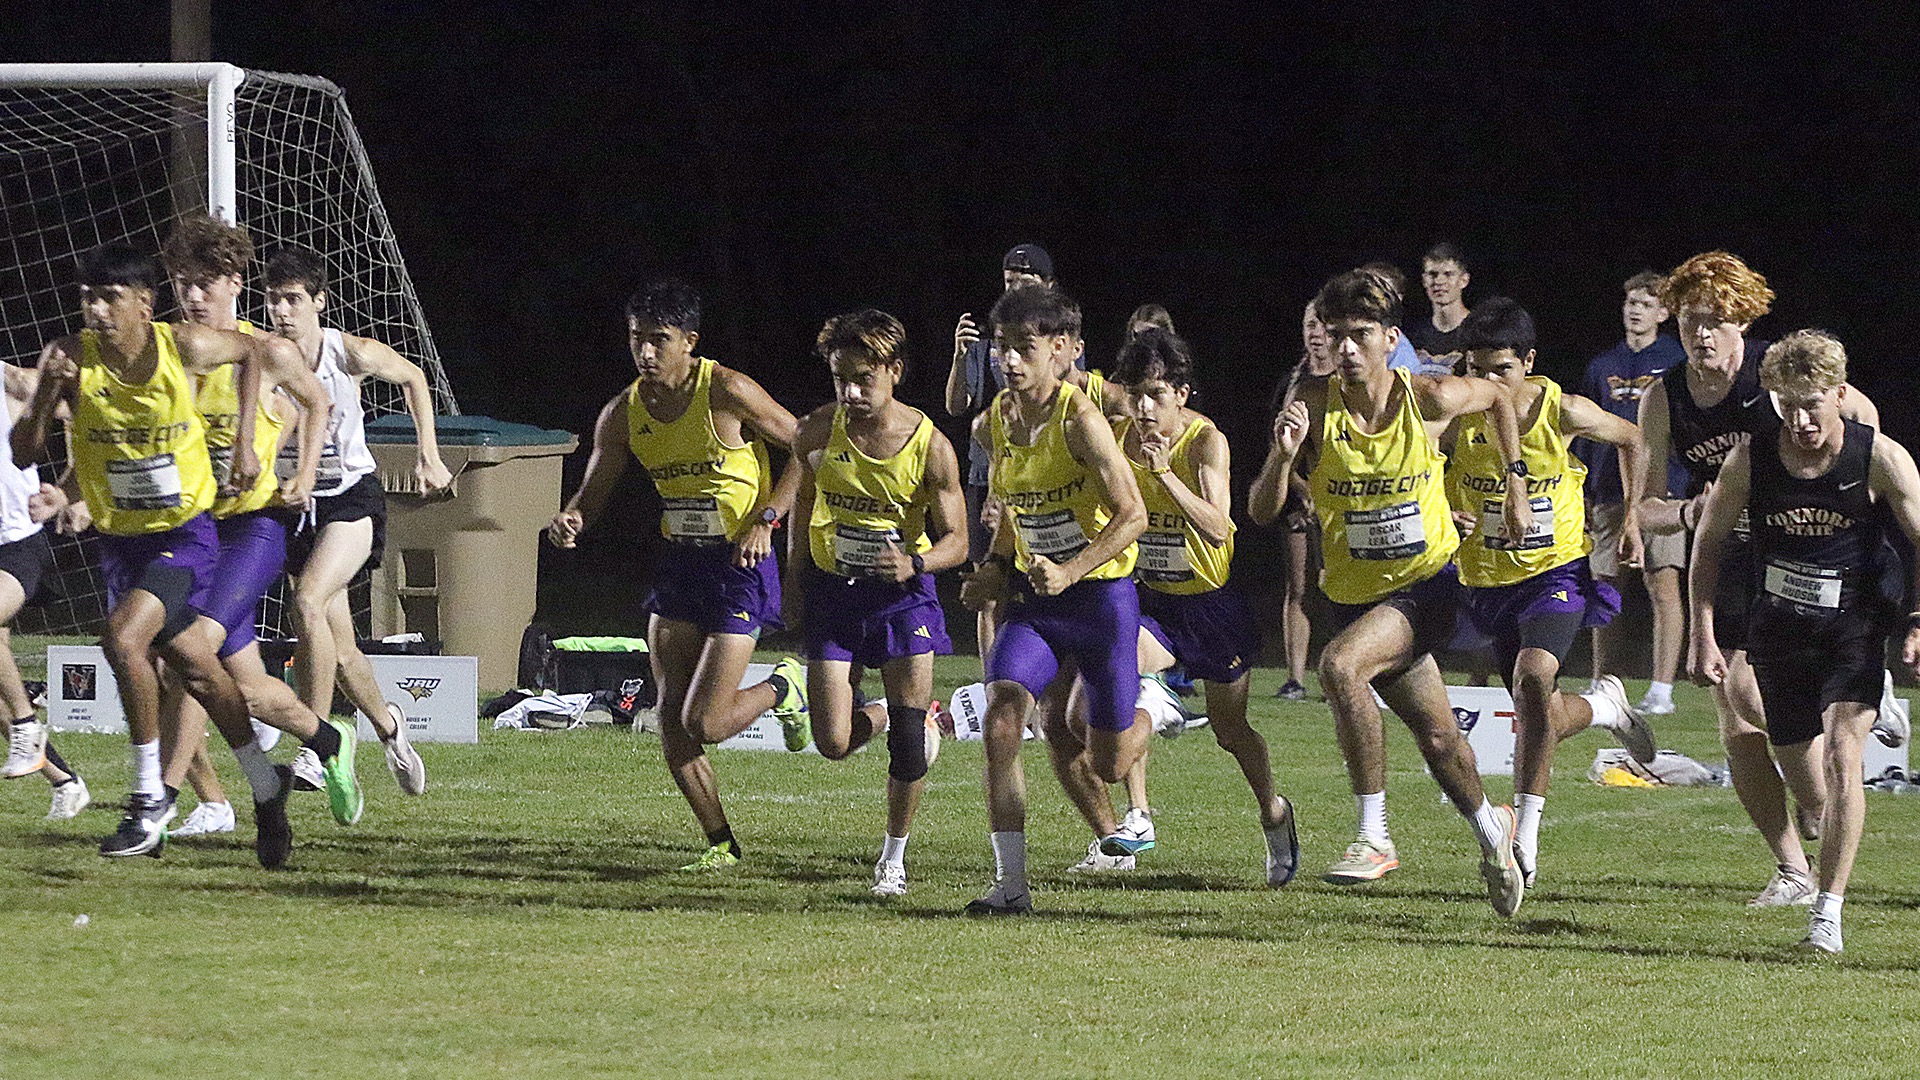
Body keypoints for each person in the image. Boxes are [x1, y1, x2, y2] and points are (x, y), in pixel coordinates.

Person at [13, 244, 305, 866]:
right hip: (120, 542)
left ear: (145, 303)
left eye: (109, 298)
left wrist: (248, 446)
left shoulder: (185, 348)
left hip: (184, 538)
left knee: (122, 641)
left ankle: (147, 797)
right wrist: (47, 398)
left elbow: (251, 352)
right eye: (86, 297)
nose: (95, 310)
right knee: (199, 673)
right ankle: (263, 786)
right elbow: (22, 449)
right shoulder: (69, 358)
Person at [1252, 269, 1530, 917]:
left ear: (1390, 339)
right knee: (1437, 740)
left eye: (1361, 336)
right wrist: (1282, 456)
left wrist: (1513, 483)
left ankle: (1373, 837)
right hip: (1354, 596)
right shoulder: (1313, 402)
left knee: (1340, 667)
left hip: (1427, 586)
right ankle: (1495, 832)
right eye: (1336, 335)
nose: (1346, 350)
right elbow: (1263, 511)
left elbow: (1495, 397)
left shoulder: (1427, 397)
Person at [1637, 250, 1878, 906]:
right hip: (1724, 554)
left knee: (1754, 692)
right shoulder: (1664, 397)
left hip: (1799, 548)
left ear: (1742, 321)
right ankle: (1795, 867)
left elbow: (1859, 419)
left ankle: (1826, 792)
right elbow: (1646, 508)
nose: (1704, 333)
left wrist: (1844, 497)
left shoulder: (1775, 375)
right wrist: (1695, 508)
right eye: (1690, 321)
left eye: (1717, 320)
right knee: (1736, 719)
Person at [548, 279, 803, 870]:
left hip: (739, 561)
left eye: (659, 340)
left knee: (706, 721)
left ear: (690, 341)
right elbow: (594, 490)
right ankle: (722, 845)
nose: (645, 352)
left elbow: (808, 446)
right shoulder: (623, 411)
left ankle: (783, 687)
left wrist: (768, 519)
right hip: (681, 562)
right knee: (669, 714)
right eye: (637, 339)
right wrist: (571, 518)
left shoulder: (727, 389)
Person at [1689, 329, 1920, 953]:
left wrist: (1918, 618)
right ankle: (1818, 820)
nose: (1800, 419)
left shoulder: (1879, 458)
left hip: (1857, 620)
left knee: (1846, 753)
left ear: (1839, 394)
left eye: (1813, 403)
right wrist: (1701, 631)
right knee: (1804, 775)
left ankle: (1828, 911)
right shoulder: (1751, 460)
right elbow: (1707, 547)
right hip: (1780, 623)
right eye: (1785, 404)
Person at [157, 216, 362, 836]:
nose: (194, 295)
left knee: (185, 658)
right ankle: (328, 738)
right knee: (242, 689)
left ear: (236, 284)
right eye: (184, 283)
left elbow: (319, 401)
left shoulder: (266, 349)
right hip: (197, 528)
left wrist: (300, 477)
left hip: (255, 529)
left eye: (207, 283)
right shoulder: (171, 347)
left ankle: (160, 802)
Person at [1446, 297, 1658, 888]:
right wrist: (1448, 508)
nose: (1490, 384)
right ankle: (1604, 707)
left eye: (1503, 371)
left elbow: (1634, 438)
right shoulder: (1458, 415)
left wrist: (1633, 516)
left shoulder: (1560, 410)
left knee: (1533, 677)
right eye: (1479, 370)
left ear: (1529, 362)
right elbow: (1424, 469)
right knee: (1541, 707)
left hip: (1555, 570)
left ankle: (1527, 834)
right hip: (1489, 578)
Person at [957, 284, 1148, 915]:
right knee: (1003, 714)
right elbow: (1014, 504)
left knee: (1110, 763)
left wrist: (1069, 570)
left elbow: (1132, 515)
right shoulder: (993, 424)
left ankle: (1157, 710)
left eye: (1025, 350)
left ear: (1062, 351)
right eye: (1001, 349)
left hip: (1101, 601)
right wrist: (992, 567)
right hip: (1037, 603)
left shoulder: (1081, 421)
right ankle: (1011, 887)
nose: (1009, 363)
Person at [784, 310, 966, 896]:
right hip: (837, 593)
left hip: (904, 598)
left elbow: (958, 540)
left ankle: (893, 858)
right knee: (833, 742)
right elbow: (802, 509)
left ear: (895, 370)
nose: (851, 392)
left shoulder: (930, 446)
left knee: (908, 742)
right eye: (840, 379)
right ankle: (890, 715)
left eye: (864, 378)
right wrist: (792, 585)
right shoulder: (815, 432)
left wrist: (915, 562)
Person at [1112, 327, 1299, 885]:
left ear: (1182, 395)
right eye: (1136, 395)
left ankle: (1274, 813)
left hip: (1211, 604)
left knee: (1230, 730)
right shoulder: (1119, 438)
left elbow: (1219, 528)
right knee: (1124, 674)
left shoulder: (1205, 442)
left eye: (1157, 395)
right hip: (1152, 600)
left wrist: (1164, 473)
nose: (1145, 409)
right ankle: (1139, 813)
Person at [262, 248, 440, 798]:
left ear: (319, 301)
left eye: (293, 299)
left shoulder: (347, 353)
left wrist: (427, 454)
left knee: (308, 602)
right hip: (298, 507)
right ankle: (390, 729)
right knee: (340, 651)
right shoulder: (262, 357)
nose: (282, 311)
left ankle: (315, 750)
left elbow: (412, 378)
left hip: (351, 501)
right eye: (273, 300)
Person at [947, 245, 1061, 678]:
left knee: (1035, 586)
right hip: (986, 474)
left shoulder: (1056, 338)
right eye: (1010, 281)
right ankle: (995, 685)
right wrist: (960, 356)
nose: (1016, 290)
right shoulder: (990, 341)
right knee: (989, 583)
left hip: (1040, 478)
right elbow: (959, 406)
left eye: (1026, 283)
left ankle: (1034, 682)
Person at [1580, 271, 1690, 714]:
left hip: (1663, 492)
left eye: (1646, 303)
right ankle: (1603, 682)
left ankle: (1661, 689)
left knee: (1663, 584)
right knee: (1605, 587)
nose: (1635, 309)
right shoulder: (1602, 365)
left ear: (1664, 312)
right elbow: (1585, 431)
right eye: (1630, 301)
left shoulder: (1677, 362)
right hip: (1609, 490)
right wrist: (1585, 486)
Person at [0, 364, 89, 819]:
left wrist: (78, 491)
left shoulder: (12, 383)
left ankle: (26, 727)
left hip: (17, 546)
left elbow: (82, 407)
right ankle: (66, 782)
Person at [1252, 301, 1338, 699]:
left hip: (1342, 497)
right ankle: (1295, 679)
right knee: (1298, 586)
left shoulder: (1347, 380)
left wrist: (1325, 493)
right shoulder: (1294, 381)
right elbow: (1279, 445)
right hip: (1299, 496)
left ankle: (1346, 670)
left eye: (1322, 325)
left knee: (1341, 587)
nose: (1315, 333)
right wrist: (1303, 491)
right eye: (1309, 325)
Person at [1407, 243, 1472, 376]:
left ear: (1464, 280)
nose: (1439, 281)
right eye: (1432, 274)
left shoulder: (1479, 331)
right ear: (1424, 280)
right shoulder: (1413, 335)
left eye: (1448, 274)